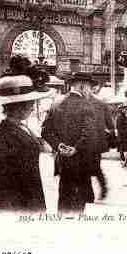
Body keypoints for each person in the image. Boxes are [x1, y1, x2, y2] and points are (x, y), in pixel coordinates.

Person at [0, 72, 53, 212]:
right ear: (19, 106)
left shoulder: (12, 128)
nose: (32, 107)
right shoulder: (2, 135)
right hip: (17, 205)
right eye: (31, 103)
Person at [42, 72, 98, 213]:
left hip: (62, 162)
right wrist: (75, 149)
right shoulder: (87, 105)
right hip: (81, 162)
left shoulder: (56, 103)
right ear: (82, 86)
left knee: (64, 197)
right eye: (90, 88)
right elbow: (89, 134)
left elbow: (45, 131)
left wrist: (58, 145)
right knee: (79, 203)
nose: (91, 91)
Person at [89, 91, 115, 200]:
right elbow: (110, 125)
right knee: (95, 167)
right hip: (97, 142)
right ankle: (103, 188)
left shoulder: (78, 102)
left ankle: (91, 193)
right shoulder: (102, 103)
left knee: (87, 167)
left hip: (85, 142)